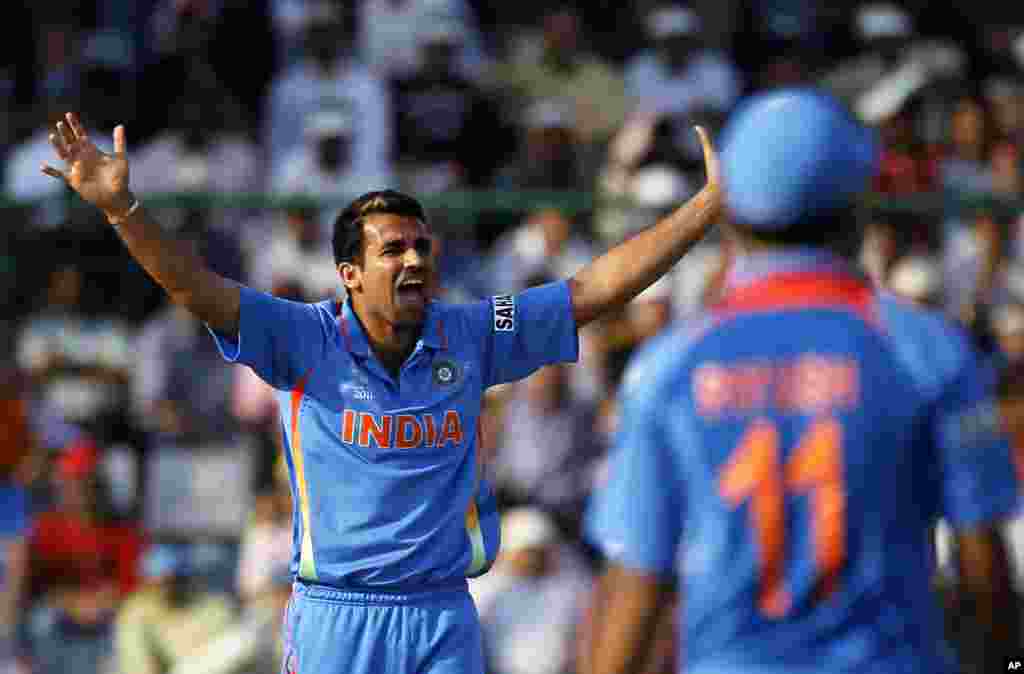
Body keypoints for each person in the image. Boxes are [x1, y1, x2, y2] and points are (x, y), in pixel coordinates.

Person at [39, 111, 722, 674]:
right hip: (338, 619)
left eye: (423, 246)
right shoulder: (302, 336)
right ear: (349, 273)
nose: (415, 259)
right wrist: (122, 208)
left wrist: (705, 210)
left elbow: (587, 291)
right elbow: (195, 286)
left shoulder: (477, 330)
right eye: (393, 249)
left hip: (441, 613)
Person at [585, 88, 1022, 674]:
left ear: (731, 211)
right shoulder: (927, 351)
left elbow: (635, 590)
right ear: (857, 206)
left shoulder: (667, 369)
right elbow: (983, 571)